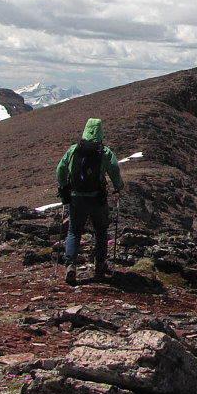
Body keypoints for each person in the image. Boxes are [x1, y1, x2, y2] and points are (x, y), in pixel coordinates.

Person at [56, 118, 124, 285]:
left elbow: (61, 169)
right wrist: (118, 186)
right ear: (100, 133)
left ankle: (70, 264)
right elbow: (114, 170)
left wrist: (64, 186)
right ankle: (99, 263)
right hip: (97, 198)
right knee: (100, 231)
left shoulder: (73, 150)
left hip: (76, 198)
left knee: (74, 231)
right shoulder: (105, 152)